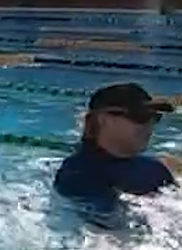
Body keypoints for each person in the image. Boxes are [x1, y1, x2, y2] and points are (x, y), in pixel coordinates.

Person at [54, 83, 177, 223]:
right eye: (140, 116)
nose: (149, 125)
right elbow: (107, 234)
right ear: (103, 120)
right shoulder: (78, 173)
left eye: (155, 117)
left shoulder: (155, 169)